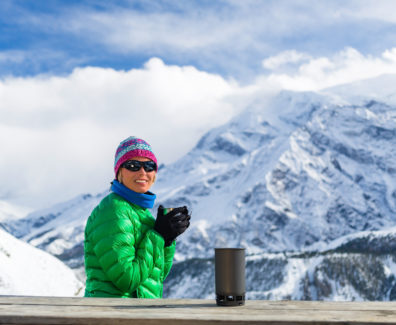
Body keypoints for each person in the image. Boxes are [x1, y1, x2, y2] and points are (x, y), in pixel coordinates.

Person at [84, 136, 191, 298]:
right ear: (119, 171)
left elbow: (157, 275)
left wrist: (167, 240)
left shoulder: (139, 212)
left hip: (133, 313)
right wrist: (158, 235)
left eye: (149, 166)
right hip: (111, 315)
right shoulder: (114, 210)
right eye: (133, 165)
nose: (143, 172)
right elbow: (127, 279)